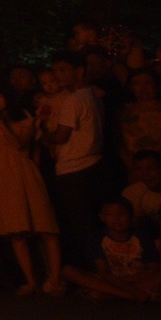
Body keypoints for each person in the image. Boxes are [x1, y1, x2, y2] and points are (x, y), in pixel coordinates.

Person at [0, 84, 63, 294]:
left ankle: (55, 278)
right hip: (0, 173)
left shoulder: (23, 116)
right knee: (15, 230)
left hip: (23, 169)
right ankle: (31, 280)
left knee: (45, 225)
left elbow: (19, 144)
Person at [42, 55, 109, 268]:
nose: (57, 75)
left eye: (62, 69)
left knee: (80, 223)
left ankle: (92, 271)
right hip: (94, 163)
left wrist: (43, 135)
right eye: (55, 71)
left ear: (79, 71)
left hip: (74, 167)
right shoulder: (92, 96)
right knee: (91, 220)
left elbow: (62, 136)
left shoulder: (73, 100)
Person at [62, 198, 161, 301]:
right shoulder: (97, 239)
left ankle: (111, 294)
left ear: (131, 216)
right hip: (111, 280)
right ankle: (128, 295)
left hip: (137, 279)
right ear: (102, 217)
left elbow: (152, 269)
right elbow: (103, 272)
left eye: (121, 215)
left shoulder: (142, 237)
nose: (116, 219)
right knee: (68, 271)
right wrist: (127, 288)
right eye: (109, 215)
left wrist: (125, 282)